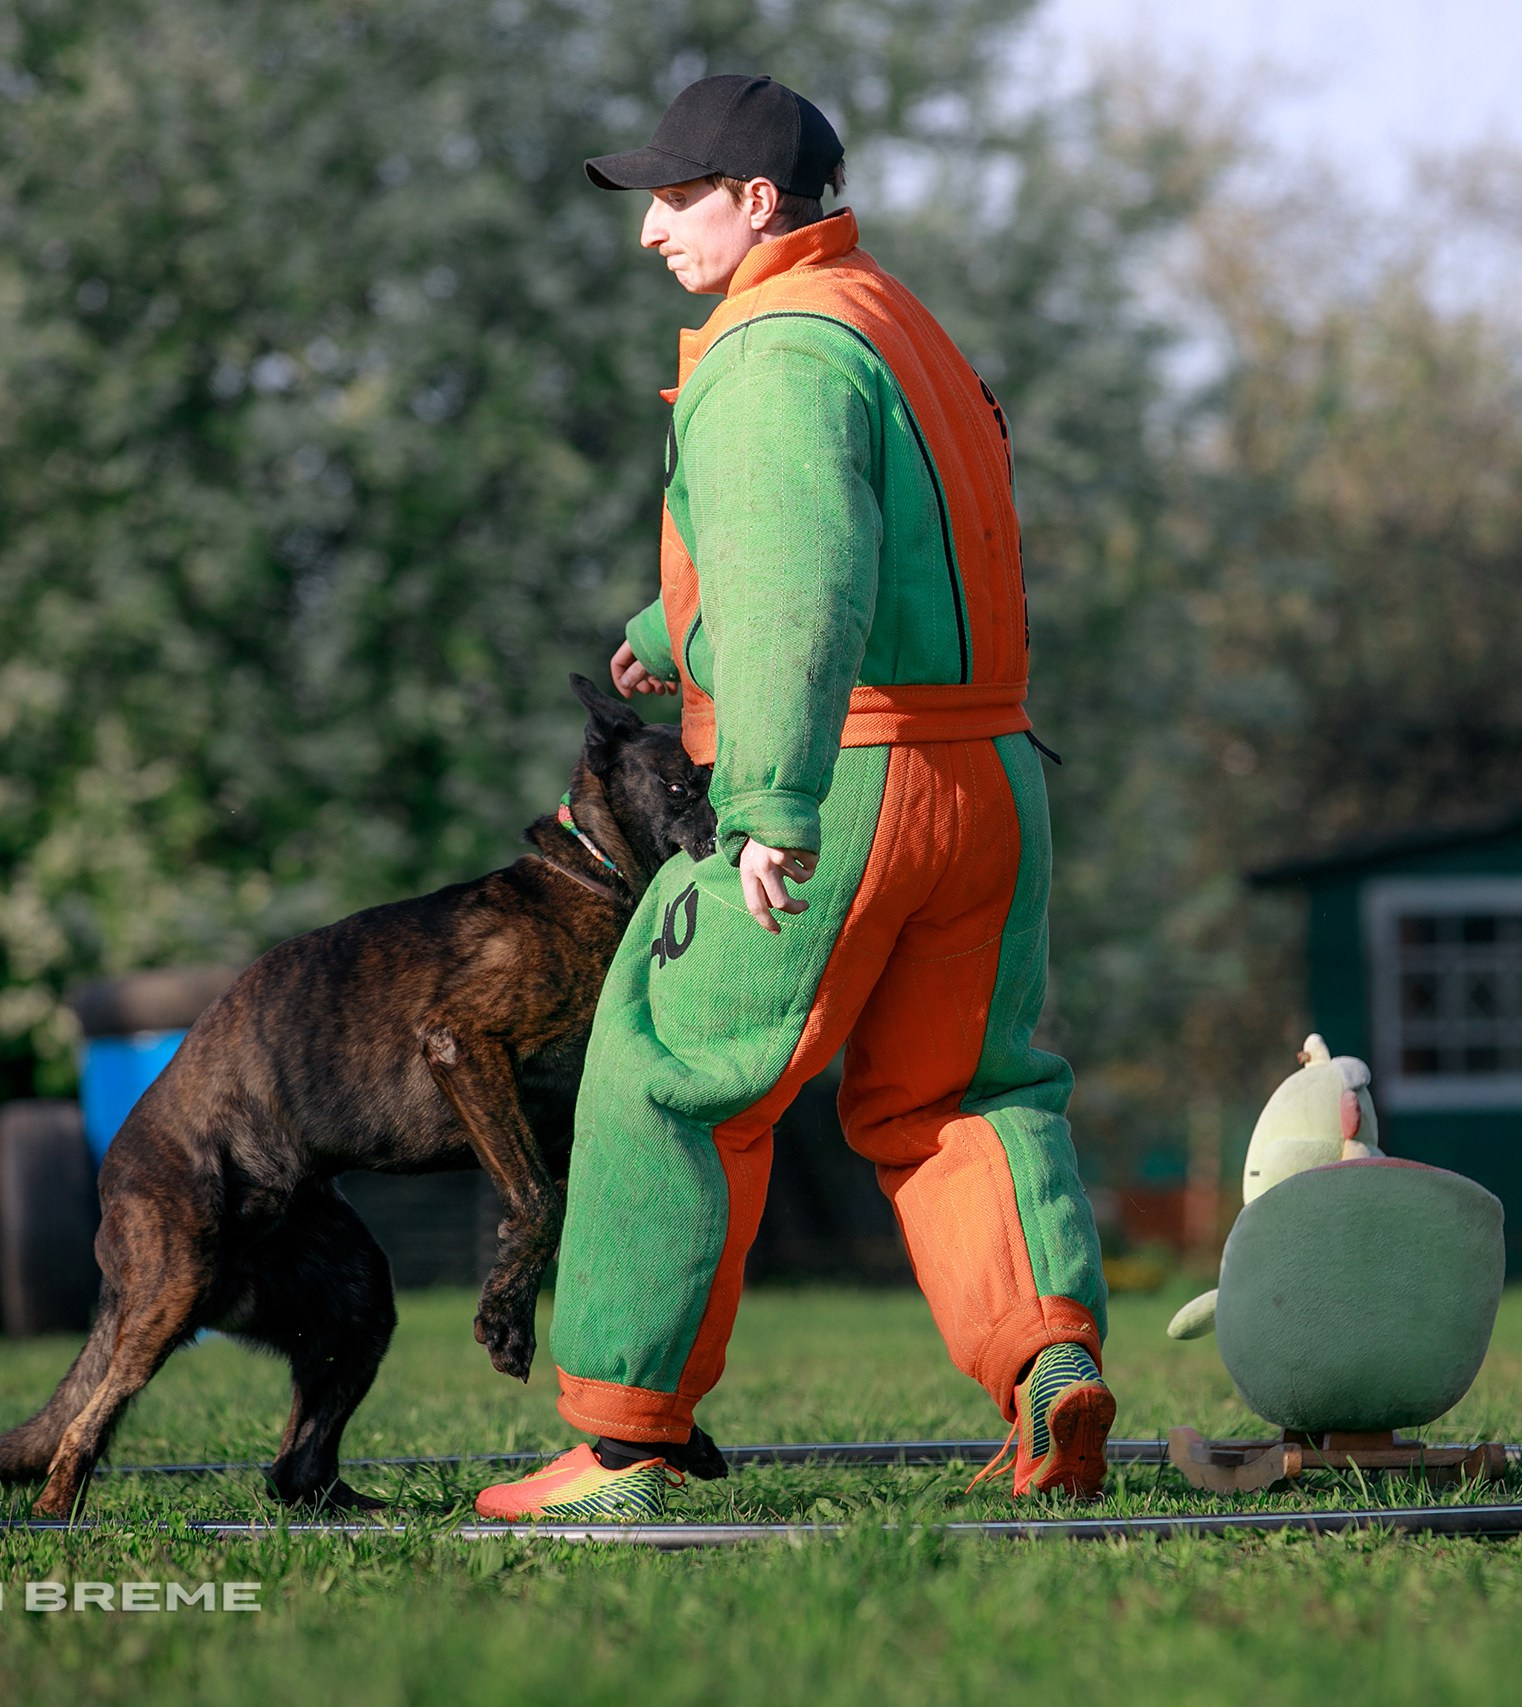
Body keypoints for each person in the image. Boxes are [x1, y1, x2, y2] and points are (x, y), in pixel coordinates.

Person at [475, 74, 1111, 1522]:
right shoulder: (894, 322)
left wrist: (765, 806)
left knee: (665, 1072)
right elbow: (873, 545)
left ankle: (624, 1446)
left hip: (848, 777)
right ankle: (1049, 1365)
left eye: (675, 197)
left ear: (757, 200)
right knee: (966, 1095)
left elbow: (800, 581)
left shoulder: (770, 350)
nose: (651, 231)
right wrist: (669, 626)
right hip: (992, 778)